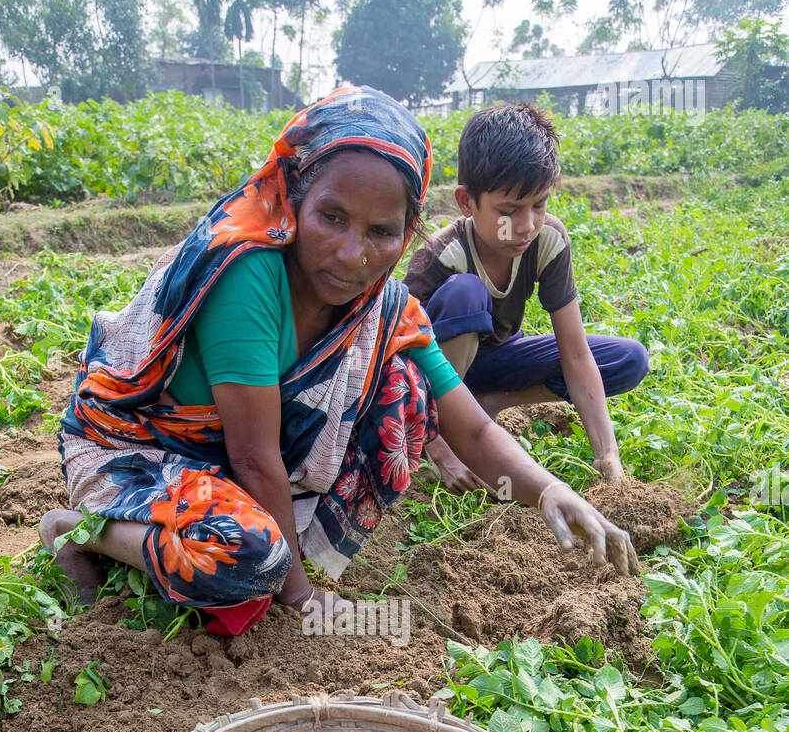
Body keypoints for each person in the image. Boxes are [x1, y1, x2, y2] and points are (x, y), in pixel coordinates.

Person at [39, 86, 638, 637]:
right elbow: (255, 454)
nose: (353, 255)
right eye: (331, 218)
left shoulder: (385, 305)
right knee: (251, 560)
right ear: (294, 197)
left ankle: (256, 547)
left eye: (381, 231)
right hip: (137, 452)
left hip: (231, 462)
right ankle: (84, 531)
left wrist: (550, 490)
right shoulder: (248, 273)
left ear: (407, 234)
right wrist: (300, 599)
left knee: (406, 392)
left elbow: (470, 424)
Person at [404, 102, 650, 494]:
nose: (527, 224)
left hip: (499, 361)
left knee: (628, 359)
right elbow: (398, 363)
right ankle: (447, 427)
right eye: (509, 210)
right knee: (466, 292)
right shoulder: (440, 257)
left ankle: (491, 400)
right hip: (435, 376)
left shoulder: (547, 239)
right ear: (466, 202)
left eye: (539, 204)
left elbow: (575, 351)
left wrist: (608, 454)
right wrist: (438, 448)